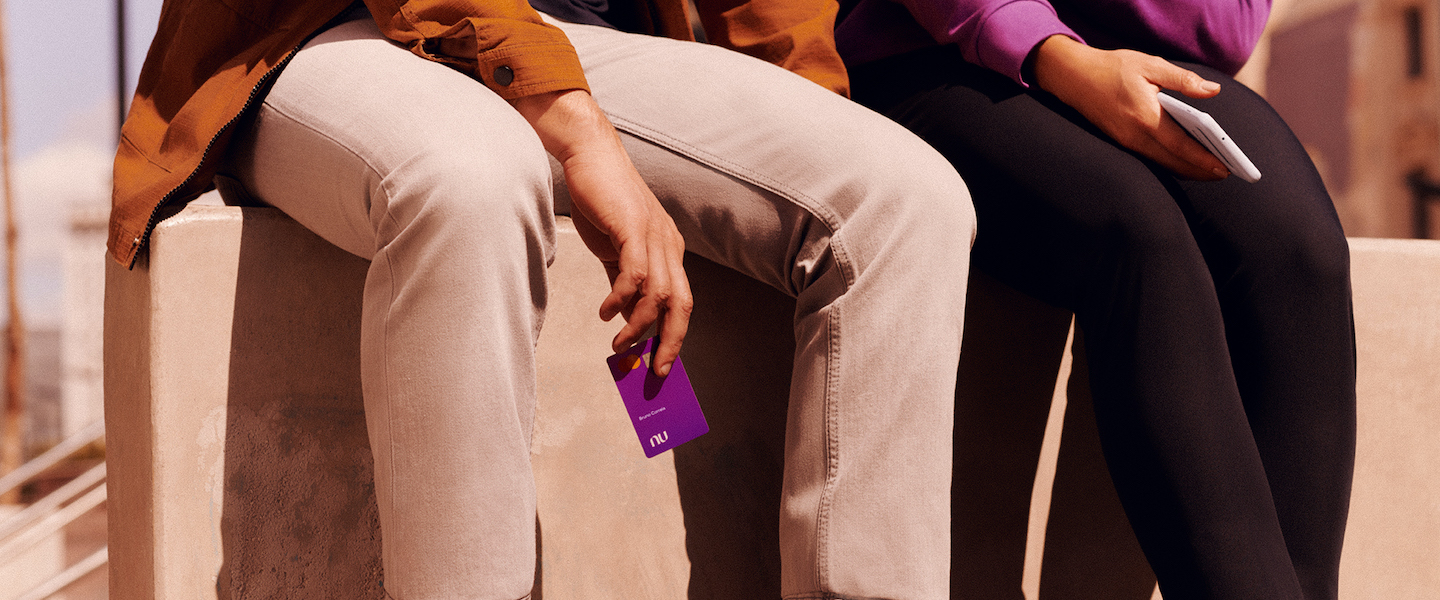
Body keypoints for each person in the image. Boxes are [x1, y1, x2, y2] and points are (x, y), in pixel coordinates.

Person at [112, 0, 976, 598]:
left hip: (582, 37)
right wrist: (581, 137)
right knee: (470, 179)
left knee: (903, 197)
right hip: (315, 33)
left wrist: (801, 118)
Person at [834, 1, 1355, 598]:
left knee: (1302, 253)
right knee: (1142, 238)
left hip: (1131, 57)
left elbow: (1223, 26)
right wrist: (1054, 53)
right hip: (929, 49)